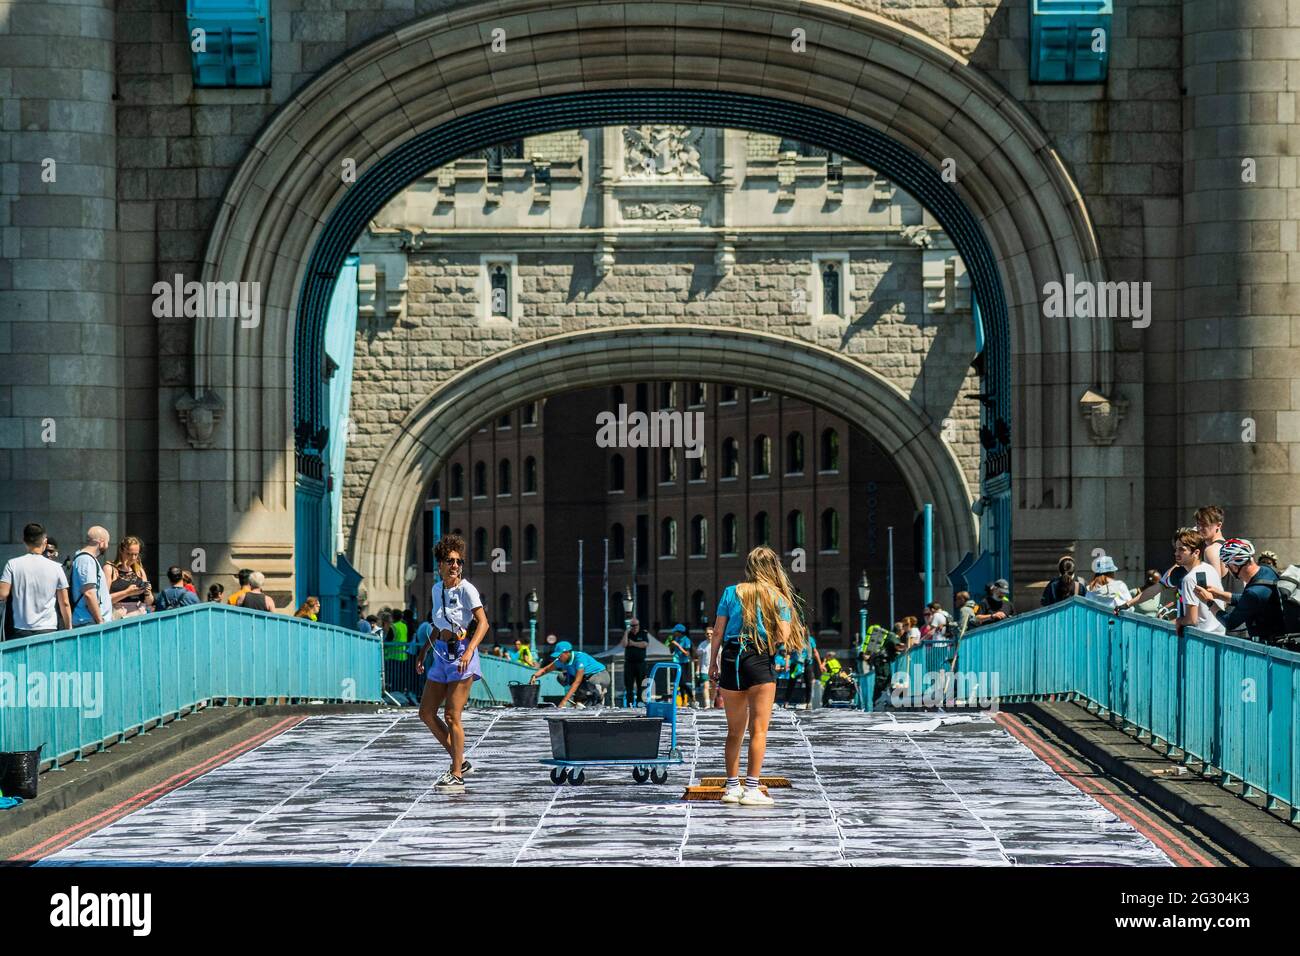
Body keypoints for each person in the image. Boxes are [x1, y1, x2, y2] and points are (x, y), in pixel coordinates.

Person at [708, 545, 802, 807]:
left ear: (749, 567)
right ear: (774, 568)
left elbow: (717, 632)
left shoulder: (731, 592)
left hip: (730, 658)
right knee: (758, 730)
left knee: (734, 731)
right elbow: (783, 636)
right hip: (759, 658)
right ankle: (751, 789)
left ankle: (730, 787)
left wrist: (712, 664)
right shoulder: (778, 597)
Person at [415, 534, 489, 794]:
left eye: (459, 561)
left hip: (461, 654)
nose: (455, 565)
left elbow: (483, 623)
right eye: (450, 561)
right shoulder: (437, 590)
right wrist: (423, 652)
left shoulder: (467, 589)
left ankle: (457, 773)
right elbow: (438, 624)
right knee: (425, 712)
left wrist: (470, 650)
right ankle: (460, 759)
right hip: (440, 655)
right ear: (440, 565)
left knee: (451, 715)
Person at [1193, 538, 1293, 643]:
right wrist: (1219, 594)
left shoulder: (1254, 592)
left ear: (1234, 567)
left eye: (1227, 565)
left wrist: (1209, 602)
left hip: (1269, 651)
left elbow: (1230, 622)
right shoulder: (1267, 570)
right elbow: (1248, 600)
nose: (1228, 568)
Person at [0, 523, 71, 638]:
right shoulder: (56, 567)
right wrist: (69, 628)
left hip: (20, 629)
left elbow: (2, 594)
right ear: (44, 541)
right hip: (48, 628)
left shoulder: (12, 564)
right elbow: (65, 603)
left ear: (24, 541)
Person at [1171, 529, 1225, 637]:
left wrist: (1177, 621)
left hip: (1200, 640)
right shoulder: (1210, 569)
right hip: (1220, 636)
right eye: (1176, 549)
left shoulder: (1189, 579)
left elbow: (1191, 619)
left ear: (1196, 552)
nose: (1176, 553)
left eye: (1182, 550)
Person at [530, 641, 611, 707]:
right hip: (585, 680)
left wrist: (563, 702)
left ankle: (599, 696)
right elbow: (546, 669)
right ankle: (585, 698)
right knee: (561, 677)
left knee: (591, 681)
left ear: (567, 653)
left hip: (601, 676)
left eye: (559, 655)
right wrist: (535, 676)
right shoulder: (561, 660)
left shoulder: (579, 658)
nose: (558, 658)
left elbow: (577, 682)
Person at [68, 527, 112, 628]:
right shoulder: (86, 560)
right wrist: (100, 621)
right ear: (101, 542)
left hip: (90, 621)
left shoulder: (87, 559)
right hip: (89, 623)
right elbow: (89, 593)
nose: (107, 546)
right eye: (107, 542)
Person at [105, 536, 153, 619]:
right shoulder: (110, 569)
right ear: (121, 551)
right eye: (129, 554)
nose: (133, 558)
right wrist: (127, 592)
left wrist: (147, 592)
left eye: (136, 554)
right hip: (119, 617)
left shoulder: (139, 570)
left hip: (139, 615)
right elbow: (104, 599)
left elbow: (149, 602)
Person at [621, 617, 650, 706]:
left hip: (640, 663)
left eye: (636, 625)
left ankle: (640, 701)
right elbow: (624, 644)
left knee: (641, 683)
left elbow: (645, 644)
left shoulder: (643, 633)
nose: (634, 627)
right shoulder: (628, 634)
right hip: (629, 663)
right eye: (632, 625)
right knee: (629, 684)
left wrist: (633, 643)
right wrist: (626, 632)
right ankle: (629, 702)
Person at [1195, 505, 1227, 581]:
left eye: (1204, 524)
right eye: (1198, 524)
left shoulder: (1211, 550)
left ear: (1218, 525)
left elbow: (1213, 587)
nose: (1199, 528)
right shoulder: (1229, 547)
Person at [666, 624, 694, 706]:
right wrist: (671, 645)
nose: (674, 633)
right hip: (676, 662)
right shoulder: (675, 639)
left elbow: (687, 653)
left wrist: (677, 645)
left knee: (683, 683)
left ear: (680, 632)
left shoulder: (686, 640)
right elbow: (671, 652)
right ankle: (683, 701)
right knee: (678, 683)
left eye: (675, 632)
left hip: (684, 663)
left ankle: (692, 697)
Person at [696, 626, 715, 709]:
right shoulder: (702, 645)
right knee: (706, 686)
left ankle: (712, 703)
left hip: (715, 669)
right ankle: (707, 704)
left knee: (714, 686)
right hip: (704, 668)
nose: (709, 635)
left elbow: (719, 658)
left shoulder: (717, 643)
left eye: (711, 633)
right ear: (705, 634)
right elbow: (699, 659)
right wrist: (697, 670)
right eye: (708, 634)